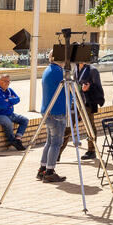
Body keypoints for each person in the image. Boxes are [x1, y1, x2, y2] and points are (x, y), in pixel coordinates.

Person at [37, 52, 68, 184]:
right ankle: (49, 172)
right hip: (57, 112)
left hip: (47, 111)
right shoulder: (59, 72)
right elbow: (69, 89)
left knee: (50, 142)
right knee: (56, 143)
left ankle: (43, 169)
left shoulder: (48, 69)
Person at [0, 74, 27, 151]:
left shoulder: (9, 90)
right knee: (7, 122)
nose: (7, 83)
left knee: (24, 120)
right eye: (5, 81)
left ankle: (18, 139)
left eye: (8, 81)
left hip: (9, 114)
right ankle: (12, 140)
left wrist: (8, 100)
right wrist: (10, 102)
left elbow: (18, 99)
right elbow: (2, 105)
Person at [76, 60, 105, 160]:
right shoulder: (75, 68)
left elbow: (98, 87)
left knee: (90, 126)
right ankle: (58, 151)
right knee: (68, 126)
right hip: (76, 102)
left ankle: (91, 150)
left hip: (87, 102)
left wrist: (88, 88)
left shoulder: (92, 70)